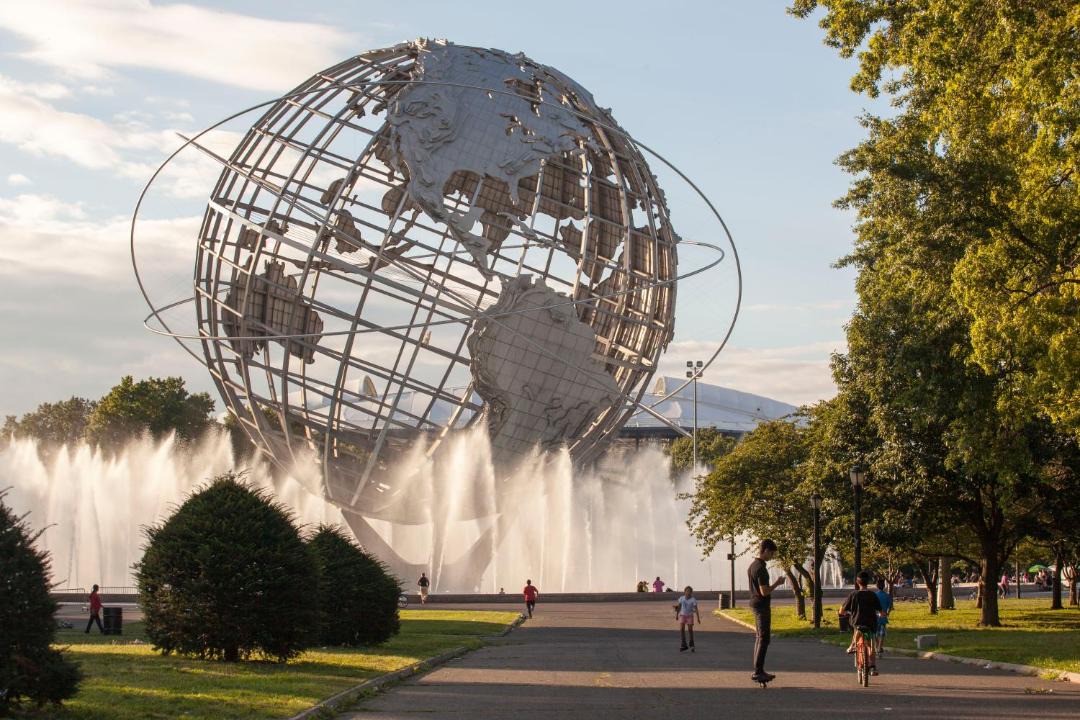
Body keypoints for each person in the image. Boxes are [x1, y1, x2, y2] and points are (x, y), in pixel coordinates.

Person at [748, 539, 786, 684]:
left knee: (760, 637)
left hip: (755, 604)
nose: (772, 556)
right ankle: (758, 671)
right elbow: (764, 591)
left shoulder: (753, 565)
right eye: (771, 553)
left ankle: (759, 670)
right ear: (765, 550)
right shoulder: (760, 568)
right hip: (761, 605)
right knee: (763, 638)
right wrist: (777, 583)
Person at [841, 571, 883, 676]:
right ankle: (872, 667)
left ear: (857, 582)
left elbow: (842, 610)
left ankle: (852, 645)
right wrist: (881, 615)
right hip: (870, 623)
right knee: (871, 644)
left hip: (857, 621)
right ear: (868, 582)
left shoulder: (853, 594)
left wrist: (844, 612)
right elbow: (881, 611)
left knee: (856, 628)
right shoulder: (873, 595)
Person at [676, 585, 702, 652]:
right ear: (684, 592)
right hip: (682, 615)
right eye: (687, 591)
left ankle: (691, 644)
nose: (688, 593)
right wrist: (677, 615)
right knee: (682, 629)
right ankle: (683, 644)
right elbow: (679, 607)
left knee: (690, 630)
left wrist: (698, 618)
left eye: (689, 591)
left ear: (691, 593)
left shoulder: (693, 600)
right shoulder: (681, 598)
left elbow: (696, 609)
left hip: (690, 616)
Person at [873, 577, 893, 655]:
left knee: (875, 634)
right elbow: (890, 606)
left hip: (875, 617)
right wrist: (887, 613)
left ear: (877, 586)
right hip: (883, 617)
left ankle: (877, 646)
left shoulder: (874, 595)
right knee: (882, 634)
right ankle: (879, 648)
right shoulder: (887, 595)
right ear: (884, 586)